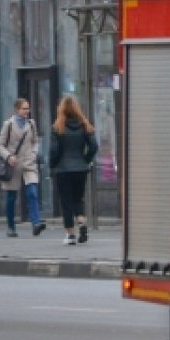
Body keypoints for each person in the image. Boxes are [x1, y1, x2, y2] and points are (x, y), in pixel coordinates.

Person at [50, 95, 99, 245]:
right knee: (78, 198)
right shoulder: (85, 125)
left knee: (66, 201)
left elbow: (54, 150)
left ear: (62, 109)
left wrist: (53, 164)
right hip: (80, 168)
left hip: (63, 169)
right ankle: (82, 222)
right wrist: (86, 160)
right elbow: (94, 146)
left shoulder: (58, 127)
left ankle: (70, 235)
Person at [0, 98, 45, 238]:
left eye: (28, 108)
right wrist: (8, 156)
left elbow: (35, 141)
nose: (27, 111)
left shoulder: (31, 124)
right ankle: (11, 226)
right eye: (24, 108)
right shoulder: (8, 124)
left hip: (29, 163)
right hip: (13, 164)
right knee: (11, 197)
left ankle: (35, 223)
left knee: (33, 193)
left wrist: (34, 152)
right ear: (17, 109)